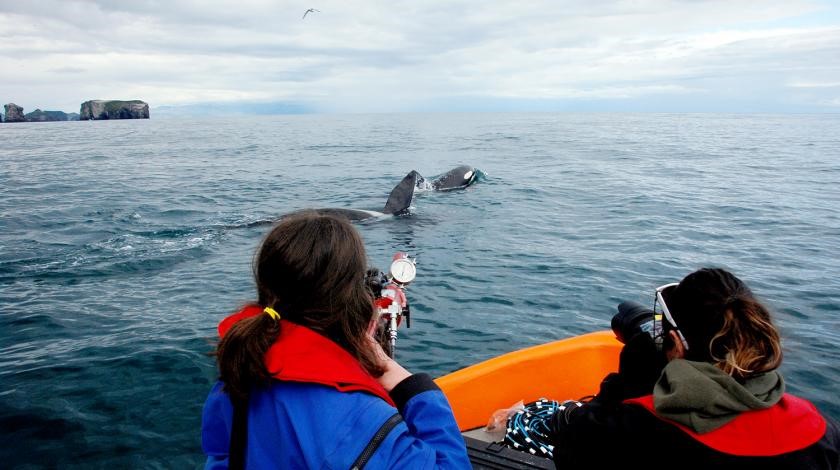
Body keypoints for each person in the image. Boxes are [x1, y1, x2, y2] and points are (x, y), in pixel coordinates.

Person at [201, 211, 470, 469]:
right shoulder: (359, 417)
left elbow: (223, 458)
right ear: (352, 301)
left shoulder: (240, 373)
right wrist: (408, 384)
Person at [550, 267, 840, 469]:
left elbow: (572, 450)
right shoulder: (821, 430)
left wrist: (626, 388)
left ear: (676, 345)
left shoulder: (632, 430)